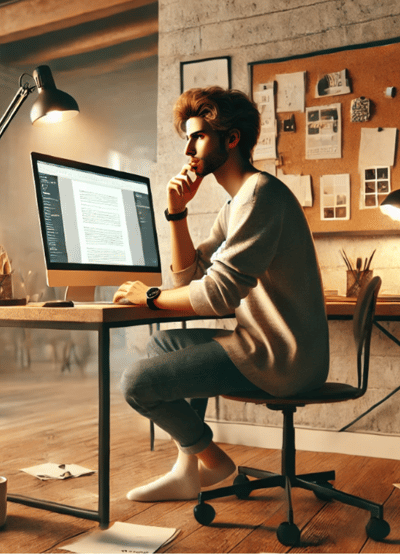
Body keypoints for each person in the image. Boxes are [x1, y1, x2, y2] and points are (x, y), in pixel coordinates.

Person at [113, 86, 329, 502]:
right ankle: (187, 467)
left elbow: (217, 296)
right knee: (164, 342)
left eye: (198, 137)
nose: (188, 149)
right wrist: (178, 212)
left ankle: (213, 461)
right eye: (188, 138)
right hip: (262, 345)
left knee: (137, 382)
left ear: (231, 139)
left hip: (283, 358)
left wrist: (148, 297)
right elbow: (190, 279)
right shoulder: (237, 204)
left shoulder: (260, 195)